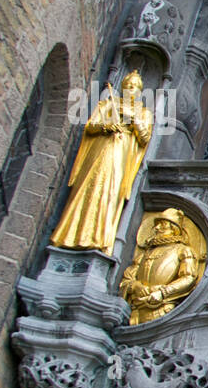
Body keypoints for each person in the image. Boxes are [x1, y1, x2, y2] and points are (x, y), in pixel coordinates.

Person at [50, 71, 153, 255]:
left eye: (135, 87)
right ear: (122, 88)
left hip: (121, 156)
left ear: (140, 91)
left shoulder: (144, 113)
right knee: (87, 187)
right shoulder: (107, 104)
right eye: (128, 86)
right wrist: (105, 126)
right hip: (101, 149)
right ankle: (69, 235)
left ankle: (99, 239)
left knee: (111, 193)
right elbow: (91, 126)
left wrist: (133, 118)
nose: (131, 90)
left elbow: (144, 138)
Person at [118, 209, 203, 325]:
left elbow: (189, 278)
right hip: (135, 312)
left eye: (163, 224)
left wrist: (163, 293)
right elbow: (127, 279)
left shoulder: (184, 251)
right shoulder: (145, 253)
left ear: (174, 229)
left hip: (162, 310)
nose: (157, 228)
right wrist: (135, 286)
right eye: (157, 224)